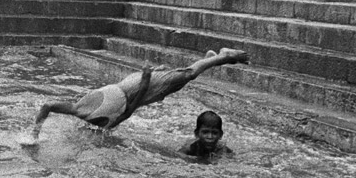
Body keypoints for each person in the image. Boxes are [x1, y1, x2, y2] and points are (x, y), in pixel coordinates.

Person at [31, 47, 249, 141]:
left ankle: (222, 57)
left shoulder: (94, 119)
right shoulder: (88, 115)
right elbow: (48, 106)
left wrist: (34, 135)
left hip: (138, 87)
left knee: (187, 76)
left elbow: (47, 106)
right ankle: (209, 59)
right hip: (132, 84)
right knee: (181, 78)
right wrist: (34, 133)